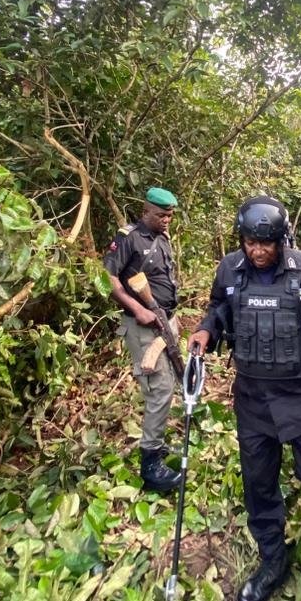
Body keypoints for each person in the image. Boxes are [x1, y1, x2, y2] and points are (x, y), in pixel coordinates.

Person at [189, 196, 301, 601]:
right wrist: (206, 329)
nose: (258, 251)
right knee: (259, 484)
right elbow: (220, 306)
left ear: (281, 240)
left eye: (266, 243)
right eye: (250, 242)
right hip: (253, 399)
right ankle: (273, 560)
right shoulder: (229, 269)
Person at [103, 187, 182, 493]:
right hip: (142, 326)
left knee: (170, 383)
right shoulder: (129, 237)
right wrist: (137, 309)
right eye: (161, 215)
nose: (166, 220)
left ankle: (157, 444)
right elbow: (108, 279)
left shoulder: (162, 237)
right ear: (145, 211)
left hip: (164, 321)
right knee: (158, 389)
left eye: (170, 215)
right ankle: (150, 466)